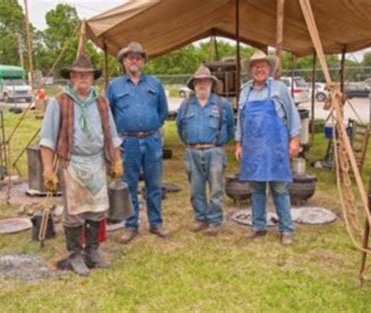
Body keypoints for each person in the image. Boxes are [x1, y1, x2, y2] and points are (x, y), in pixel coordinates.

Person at [40, 53, 122, 276]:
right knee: (74, 213)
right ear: (71, 77)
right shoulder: (60, 102)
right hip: (72, 164)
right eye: (77, 74)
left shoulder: (102, 102)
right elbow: (47, 139)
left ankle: (92, 252)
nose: (82, 78)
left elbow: (112, 135)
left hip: (97, 163)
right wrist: (48, 170)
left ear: (92, 77)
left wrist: (116, 160)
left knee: (97, 210)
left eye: (86, 74)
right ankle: (75, 254)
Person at [235, 51, 301, 246]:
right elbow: (241, 120)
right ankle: (258, 226)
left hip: (276, 147)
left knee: (279, 188)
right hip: (253, 148)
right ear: (250, 70)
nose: (259, 69)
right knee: (256, 189)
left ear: (269, 68)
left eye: (263, 65)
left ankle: (286, 229)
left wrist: (295, 139)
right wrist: (239, 143)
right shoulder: (245, 91)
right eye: (255, 66)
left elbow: (292, 114)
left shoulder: (279, 89)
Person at [106, 42, 169, 244]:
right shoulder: (114, 86)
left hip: (151, 140)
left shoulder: (155, 84)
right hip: (128, 142)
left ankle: (156, 223)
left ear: (143, 62)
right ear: (124, 61)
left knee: (154, 184)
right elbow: (108, 115)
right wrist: (116, 141)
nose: (134, 61)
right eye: (130, 57)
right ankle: (131, 225)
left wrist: (151, 129)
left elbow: (162, 112)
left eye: (138, 57)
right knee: (129, 184)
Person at [177, 65, 234, 236]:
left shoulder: (222, 104)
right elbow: (180, 129)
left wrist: (217, 144)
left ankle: (215, 221)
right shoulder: (186, 105)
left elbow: (230, 128)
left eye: (205, 81)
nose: (202, 84)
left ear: (211, 83)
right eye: (198, 81)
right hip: (192, 152)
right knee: (196, 188)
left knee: (216, 188)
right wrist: (191, 144)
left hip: (215, 151)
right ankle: (200, 218)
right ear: (193, 84)